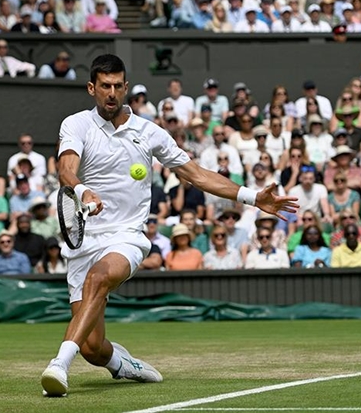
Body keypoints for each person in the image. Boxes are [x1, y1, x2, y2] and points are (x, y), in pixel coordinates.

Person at [40, 54, 297, 397]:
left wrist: (251, 196)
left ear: (126, 87)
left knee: (99, 277)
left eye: (118, 86)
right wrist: (84, 190)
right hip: (84, 240)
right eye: (105, 86)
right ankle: (122, 364)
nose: (112, 93)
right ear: (92, 88)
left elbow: (197, 175)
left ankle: (59, 363)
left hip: (126, 237)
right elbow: (66, 171)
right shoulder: (75, 124)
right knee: (93, 348)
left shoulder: (150, 132)